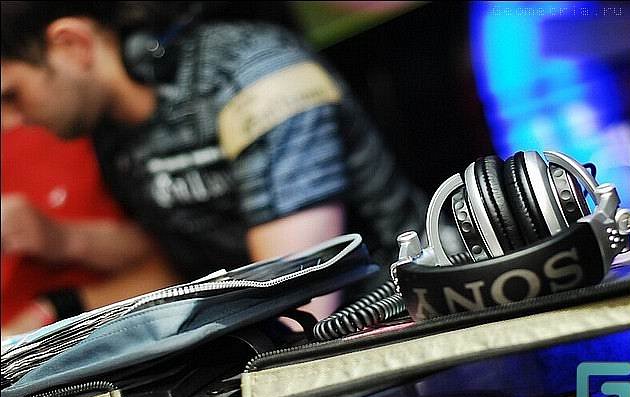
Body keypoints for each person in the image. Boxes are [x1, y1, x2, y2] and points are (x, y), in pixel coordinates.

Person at [1, 2, 427, 319]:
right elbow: (175, 270)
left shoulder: (256, 75)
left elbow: (298, 298)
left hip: (402, 318)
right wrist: (53, 309)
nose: (8, 122)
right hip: (271, 337)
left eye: (11, 95)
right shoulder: (112, 129)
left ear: (72, 44)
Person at [1, 126, 179, 336]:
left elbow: (176, 258)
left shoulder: (55, 129)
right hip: (55, 341)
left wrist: (58, 308)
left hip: (138, 325)